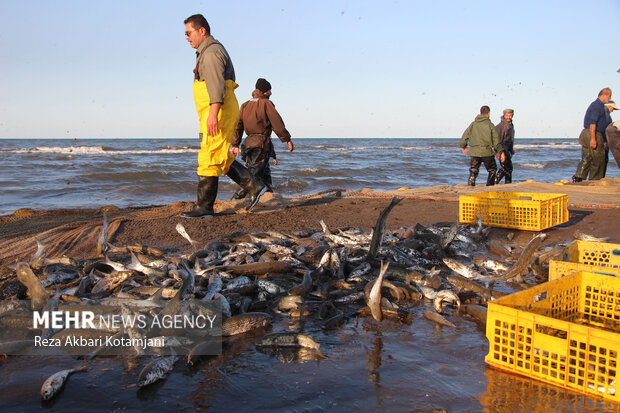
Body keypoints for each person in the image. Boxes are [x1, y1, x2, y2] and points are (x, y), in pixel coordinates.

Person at [181, 14, 267, 218]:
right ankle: (255, 187)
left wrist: (212, 114)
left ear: (202, 30)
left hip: (218, 111)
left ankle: (204, 208)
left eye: (188, 32)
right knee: (220, 155)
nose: (186, 37)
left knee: (209, 156)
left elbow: (217, 87)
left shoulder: (210, 53)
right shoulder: (208, 51)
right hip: (216, 110)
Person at [231, 78, 293, 197]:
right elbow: (277, 122)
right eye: (270, 91)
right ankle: (237, 197)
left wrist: (235, 144)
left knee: (265, 173)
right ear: (264, 91)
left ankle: (269, 196)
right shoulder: (266, 103)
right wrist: (287, 139)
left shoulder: (245, 105)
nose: (271, 93)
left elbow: (238, 126)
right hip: (261, 143)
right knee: (254, 174)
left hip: (248, 144)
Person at [572, 88, 613, 182]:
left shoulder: (597, 105)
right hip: (593, 133)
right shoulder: (597, 106)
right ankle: (595, 180)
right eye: (609, 96)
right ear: (603, 95)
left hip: (588, 133)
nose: (610, 98)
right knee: (598, 158)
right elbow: (593, 123)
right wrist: (593, 138)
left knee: (587, 157)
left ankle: (578, 177)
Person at [460, 106, 506, 186]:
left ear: (480, 113)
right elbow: (496, 140)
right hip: (487, 152)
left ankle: (470, 187)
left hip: (474, 152)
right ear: (489, 114)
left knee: (473, 171)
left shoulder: (473, 124)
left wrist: (463, 146)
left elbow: (465, 136)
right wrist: (500, 151)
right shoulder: (490, 125)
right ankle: (489, 186)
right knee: (492, 170)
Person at [495, 109, 515, 184]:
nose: (509, 117)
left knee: (508, 168)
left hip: (507, 150)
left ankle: (507, 183)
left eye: (510, 115)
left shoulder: (511, 125)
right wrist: (499, 152)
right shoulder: (501, 126)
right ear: (504, 115)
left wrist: (511, 149)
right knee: (506, 168)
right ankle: (494, 182)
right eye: (507, 115)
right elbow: (497, 140)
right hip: (502, 149)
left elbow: (510, 139)